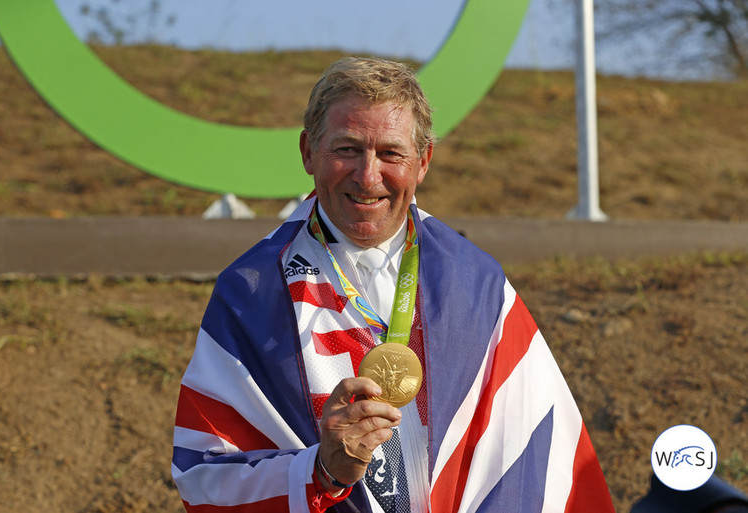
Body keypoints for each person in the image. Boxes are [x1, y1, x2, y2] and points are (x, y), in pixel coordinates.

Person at [172, 57, 615, 513]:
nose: (368, 177)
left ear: (422, 162)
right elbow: (204, 477)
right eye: (346, 149)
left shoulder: (477, 285)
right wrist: (320, 472)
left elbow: (540, 461)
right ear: (308, 152)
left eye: (390, 153)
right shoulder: (251, 292)